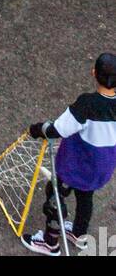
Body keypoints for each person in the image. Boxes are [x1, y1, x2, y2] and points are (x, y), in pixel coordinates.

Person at [21, 53, 116, 256]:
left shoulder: (87, 104)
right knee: (85, 196)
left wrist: (38, 129)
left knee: (55, 195)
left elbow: (59, 130)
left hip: (76, 165)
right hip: (102, 167)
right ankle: (79, 234)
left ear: (93, 73)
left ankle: (50, 243)